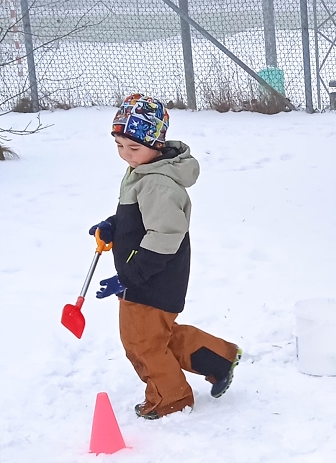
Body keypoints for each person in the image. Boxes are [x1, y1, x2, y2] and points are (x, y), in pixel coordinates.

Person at [89, 93, 241, 418]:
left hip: (152, 279)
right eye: (119, 146)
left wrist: (127, 277)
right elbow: (143, 220)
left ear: (156, 144)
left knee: (143, 344)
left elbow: (165, 237)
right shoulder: (145, 171)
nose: (126, 155)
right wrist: (114, 226)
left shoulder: (157, 183)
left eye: (134, 147)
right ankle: (218, 358)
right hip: (146, 277)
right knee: (157, 338)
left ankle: (171, 398)